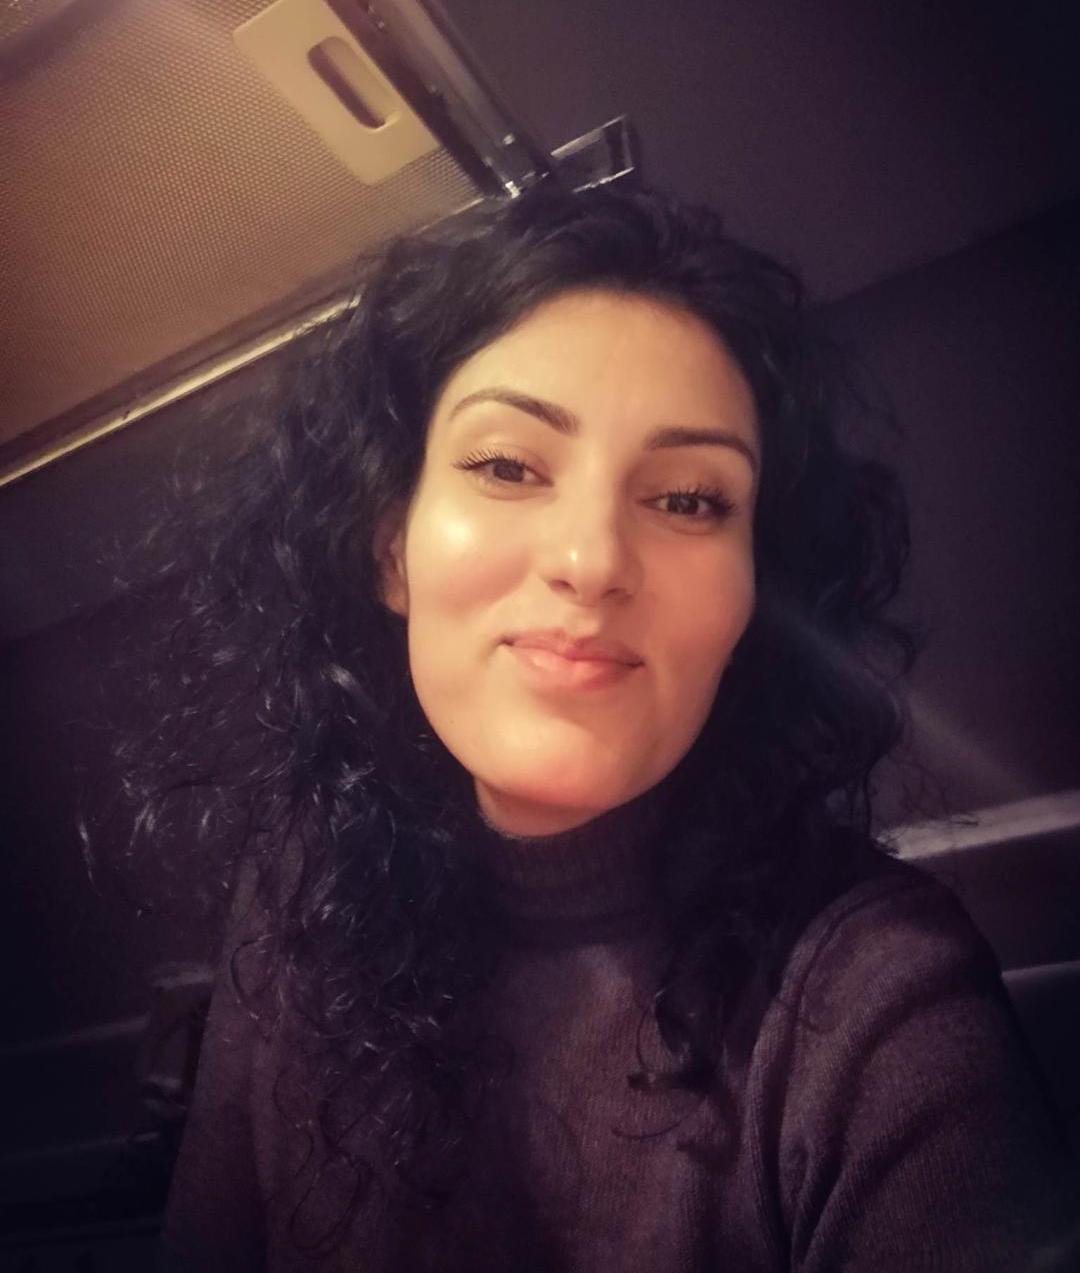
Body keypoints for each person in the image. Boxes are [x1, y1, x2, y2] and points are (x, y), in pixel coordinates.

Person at [121, 181, 1076, 1270]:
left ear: (753, 600)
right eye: (507, 466)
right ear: (391, 551)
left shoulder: (878, 1005)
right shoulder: (299, 887)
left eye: (687, 500)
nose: (592, 561)